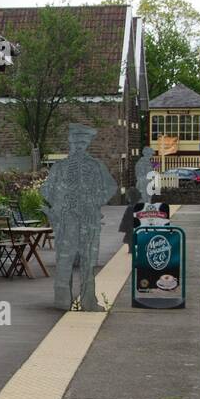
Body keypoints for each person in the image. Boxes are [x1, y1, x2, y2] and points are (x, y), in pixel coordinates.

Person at [40, 124, 118, 311]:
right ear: (70, 142)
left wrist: (95, 201)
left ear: (87, 143)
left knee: (88, 261)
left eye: (83, 142)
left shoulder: (96, 166)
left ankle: (88, 301)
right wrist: (60, 206)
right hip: (67, 221)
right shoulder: (59, 167)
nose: (78, 145)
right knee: (64, 260)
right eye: (75, 141)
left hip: (89, 220)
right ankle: (62, 300)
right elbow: (46, 190)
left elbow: (110, 188)